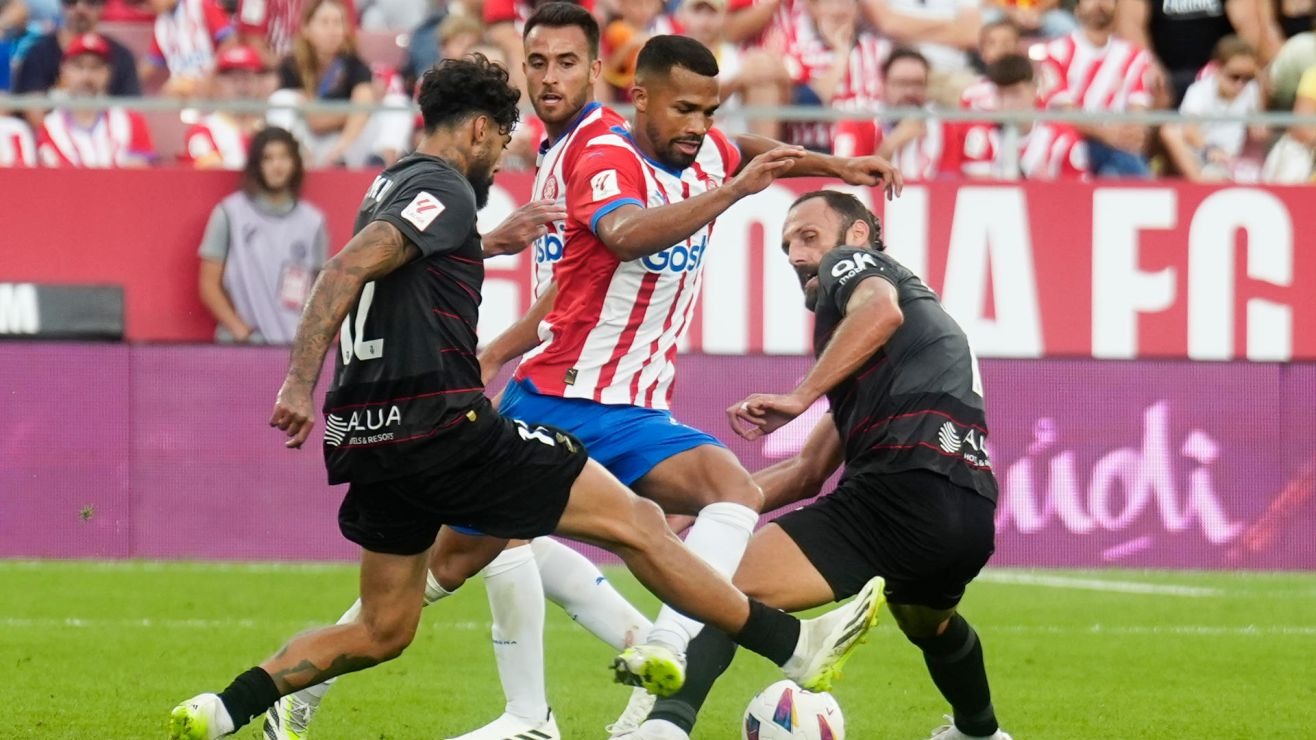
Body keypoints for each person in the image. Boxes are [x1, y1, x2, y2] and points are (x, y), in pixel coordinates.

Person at [167, 52, 886, 740]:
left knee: (384, 630)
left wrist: (486, 243)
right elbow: (345, 268)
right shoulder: (443, 185)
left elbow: (394, 263)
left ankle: (224, 708)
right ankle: (792, 645)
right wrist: (297, 381)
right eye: (500, 138)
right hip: (447, 430)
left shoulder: (390, 188)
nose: (501, 154)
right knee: (637, 521)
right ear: (479, 127)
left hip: (373, 444)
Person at [621, 190, 1008, 740]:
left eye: (809, 236)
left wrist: (799, 396)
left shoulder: (861, 269)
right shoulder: (898, 350)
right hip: (965, 510)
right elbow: (806, 471)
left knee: (717, 588)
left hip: (895, 494)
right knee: (929, 623)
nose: (798, 255)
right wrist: (711, 511)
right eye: (786, 247)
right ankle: (981, 733)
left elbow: (878, 307)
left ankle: (661, 729)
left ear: (857, 236)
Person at [197, 127, 328, 344]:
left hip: (293, 350)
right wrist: (241, 332)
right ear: (256, 165)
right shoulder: (229, 214)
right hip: (242, 349)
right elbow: (208, 285)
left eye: (284, 157)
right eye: (268, 158)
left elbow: (322, 290)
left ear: (295, 162)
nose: (277, 165)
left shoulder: (313, 222)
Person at [266, 0, 412, 167]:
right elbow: (316, 121)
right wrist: (352, 111)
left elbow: (362, 107)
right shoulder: (292, 65)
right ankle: (291, 159)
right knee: (281, 99)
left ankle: (382, 162)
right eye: (325, 23)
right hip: (310, 146)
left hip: (347, 146)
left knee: (397, 103)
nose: (333, 30)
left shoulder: (354, 64)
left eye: (338, 23)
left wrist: (340, 149)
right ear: (306, 28)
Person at [13, 0, 140, 130]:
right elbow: (34, 113)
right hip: (51, 144)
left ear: (103, 6)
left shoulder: (121, 56)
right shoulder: (39, 53)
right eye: (71, 1)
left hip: (108, 144)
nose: (80, 9)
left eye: (90, 2)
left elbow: (131, 114)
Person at [36, 33, 155, 167]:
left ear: (107, 72)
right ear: (64, 71)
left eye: (95, 67)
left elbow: (140, 176)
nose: (87, 76)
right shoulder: (50, 126)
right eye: (79, 67)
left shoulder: (131, 120)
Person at [1160, 35, 1266, 182]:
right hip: (1200, 154)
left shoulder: (1251, 90)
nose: (1241, 84)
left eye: (1247, 77)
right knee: (1171, 131)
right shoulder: (1199, 91)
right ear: (1217, 68)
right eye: (1234, 77)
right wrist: (1210, 150)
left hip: (1231, 159)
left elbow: (1259, 129)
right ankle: (1200, 186)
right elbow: (1189, 130)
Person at [182, 45, 269, 168]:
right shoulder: (204, 130)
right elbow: (210, 175)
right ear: (217, 84)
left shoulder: (272, 127)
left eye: (248, 78)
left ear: (260, 83)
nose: (242, 87)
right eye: (233, 79)